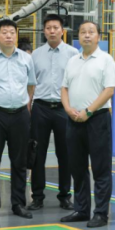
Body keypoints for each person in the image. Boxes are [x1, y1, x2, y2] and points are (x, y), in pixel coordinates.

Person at [0, 18, 37, 221]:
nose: (9, 36)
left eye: (12, 32)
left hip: (20, 114)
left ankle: (18, 203)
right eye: (4, 32)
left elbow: (31, 85)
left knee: (20, 161)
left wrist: (21, 102)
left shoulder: (26, 59)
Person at [60, 21, 115, 228]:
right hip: (74, 119)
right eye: (83, 32)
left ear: (98, 37)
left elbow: (109, 90)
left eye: (91, 32)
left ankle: (101, 213)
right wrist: (68, 109)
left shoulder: (106, 60)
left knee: (101, 168)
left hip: (97, 119)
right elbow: (64, 88)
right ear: (78, 36)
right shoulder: (72, 61)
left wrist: (89, 111)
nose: (86, 35)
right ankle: (81, 209)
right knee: (77, 168)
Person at [28, 14, 78, 211]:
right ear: (44, 31)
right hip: (40, 107)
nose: (52, 31)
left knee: (65, 154)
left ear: (62, 31)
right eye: (48, 28)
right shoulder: (35, 55)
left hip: (63, 108)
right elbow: (31, 84)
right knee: (37, 153)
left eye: (55, 27)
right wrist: (29, 106)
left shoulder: (73, 53)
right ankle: (37, 197)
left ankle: (65, 196)